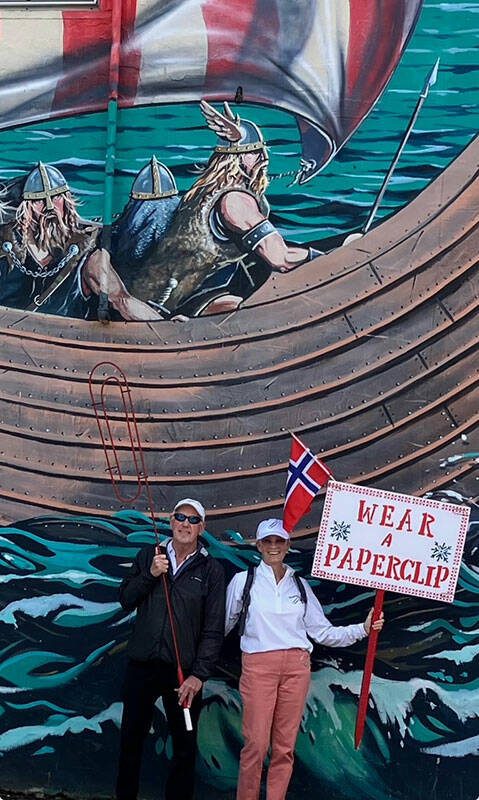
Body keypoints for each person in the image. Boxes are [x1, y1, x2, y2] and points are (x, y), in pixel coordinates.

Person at [225, 518, 384, 800]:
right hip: (258, 667)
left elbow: (323, 632)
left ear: (288, 545)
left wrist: (363, 628)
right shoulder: (243, 581)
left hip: (296, 669)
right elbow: (222, 625)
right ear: (258, 545)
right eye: (267, 541)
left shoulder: (299, 585)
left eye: (279, 541)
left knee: (284, 747)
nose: (273, 546)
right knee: (256, 745)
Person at [126, 101, 321, 318]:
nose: (264, 158)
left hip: (190, 288)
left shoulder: (204, 194)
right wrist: (325, 257)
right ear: (236, 158)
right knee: (259, 310)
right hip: (187, 300)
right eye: (255, 153)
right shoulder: (235, 201)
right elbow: (280, 258)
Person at [116, 498, 225, 800]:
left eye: (193, 520)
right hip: (142, 666)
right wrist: (150, 574)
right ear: (171, 521)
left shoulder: (212, 570)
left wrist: (199, 675)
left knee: (184, 748)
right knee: (130, 742)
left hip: (184, 675)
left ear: (202, 528)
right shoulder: (148, 556)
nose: (185, 524)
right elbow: (125, 599)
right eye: (180, 517)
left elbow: (214, 629)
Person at [0, 162, 161, 321]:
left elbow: (122, 301)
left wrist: (164, 325)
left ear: (67, 201)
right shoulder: (5, 247)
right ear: (27, 208)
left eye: (56, 197)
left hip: (65, 335)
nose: (50, 207)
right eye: (39, 201)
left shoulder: (87, 255)